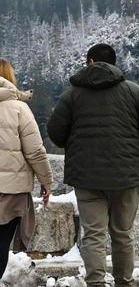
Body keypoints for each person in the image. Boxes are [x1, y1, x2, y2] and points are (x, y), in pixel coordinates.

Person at [47, 44, 139, 287]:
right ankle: (124, 281)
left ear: (90, 62)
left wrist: (76, 140)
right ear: (114, 63)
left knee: (93, 235)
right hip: (125, 176)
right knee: (122, 234)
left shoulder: (72, 95)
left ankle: (96, 283)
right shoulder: (134, 92)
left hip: (87, 177)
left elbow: (55, 133)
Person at [0, 59, 53, 279]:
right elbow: (35, 152)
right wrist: (46, 181)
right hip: (11, 191)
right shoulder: (19, 108)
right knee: (2, 242)